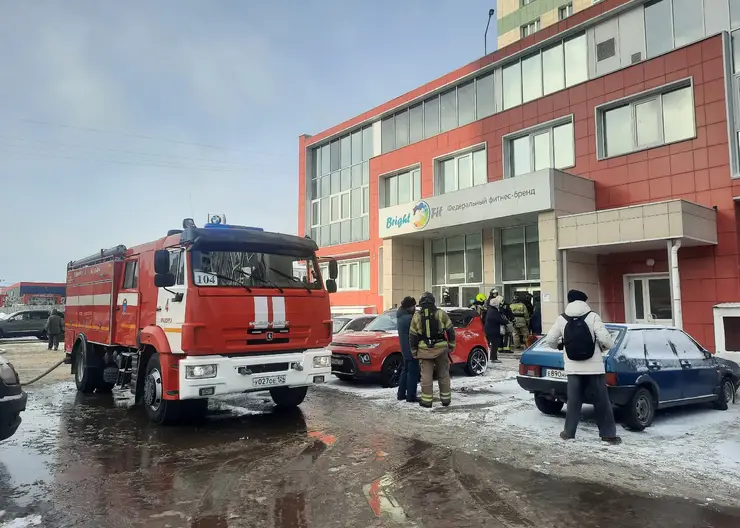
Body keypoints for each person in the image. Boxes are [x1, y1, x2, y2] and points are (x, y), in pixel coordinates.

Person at [543, 289, 621, 445]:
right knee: (602, 402)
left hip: (573, 369)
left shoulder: (562, 319)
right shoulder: (593, 317)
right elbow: (606, 340)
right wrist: (602, 349)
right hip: (595, 369)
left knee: (573, 401)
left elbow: (550, 340)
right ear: (584, 302)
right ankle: (608, 435)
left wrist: (561, 346)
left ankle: (568, 433)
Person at [409, 292, 456, 408]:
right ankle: (446, 399)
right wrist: (451, 345)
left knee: (426, 376)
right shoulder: (441, 314)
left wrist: (414, 351)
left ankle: (426, 400)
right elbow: (450, 331)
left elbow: (412, 336)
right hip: (441, 349)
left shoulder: (417, 316)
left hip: (424, 351)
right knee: (443, 374)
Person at [396, 296, 419, 403]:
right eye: (413, 306)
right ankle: (411, 396)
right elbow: (418, 331)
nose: (415, 308)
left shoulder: (401, 316)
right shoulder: (409, 319)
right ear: (409, 307)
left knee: (405, 371)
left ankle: (401, 394)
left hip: (405, 349)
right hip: (411, 349)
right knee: (413, 373)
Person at [484, 296, 507, 363]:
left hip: (489, 329)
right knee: (495, 344)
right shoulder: (494, 311)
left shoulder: (491, 309)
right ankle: (493, 358)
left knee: (490, 344)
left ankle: (489, 357)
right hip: (493, 330)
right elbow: (498, 319)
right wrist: (506, 322)